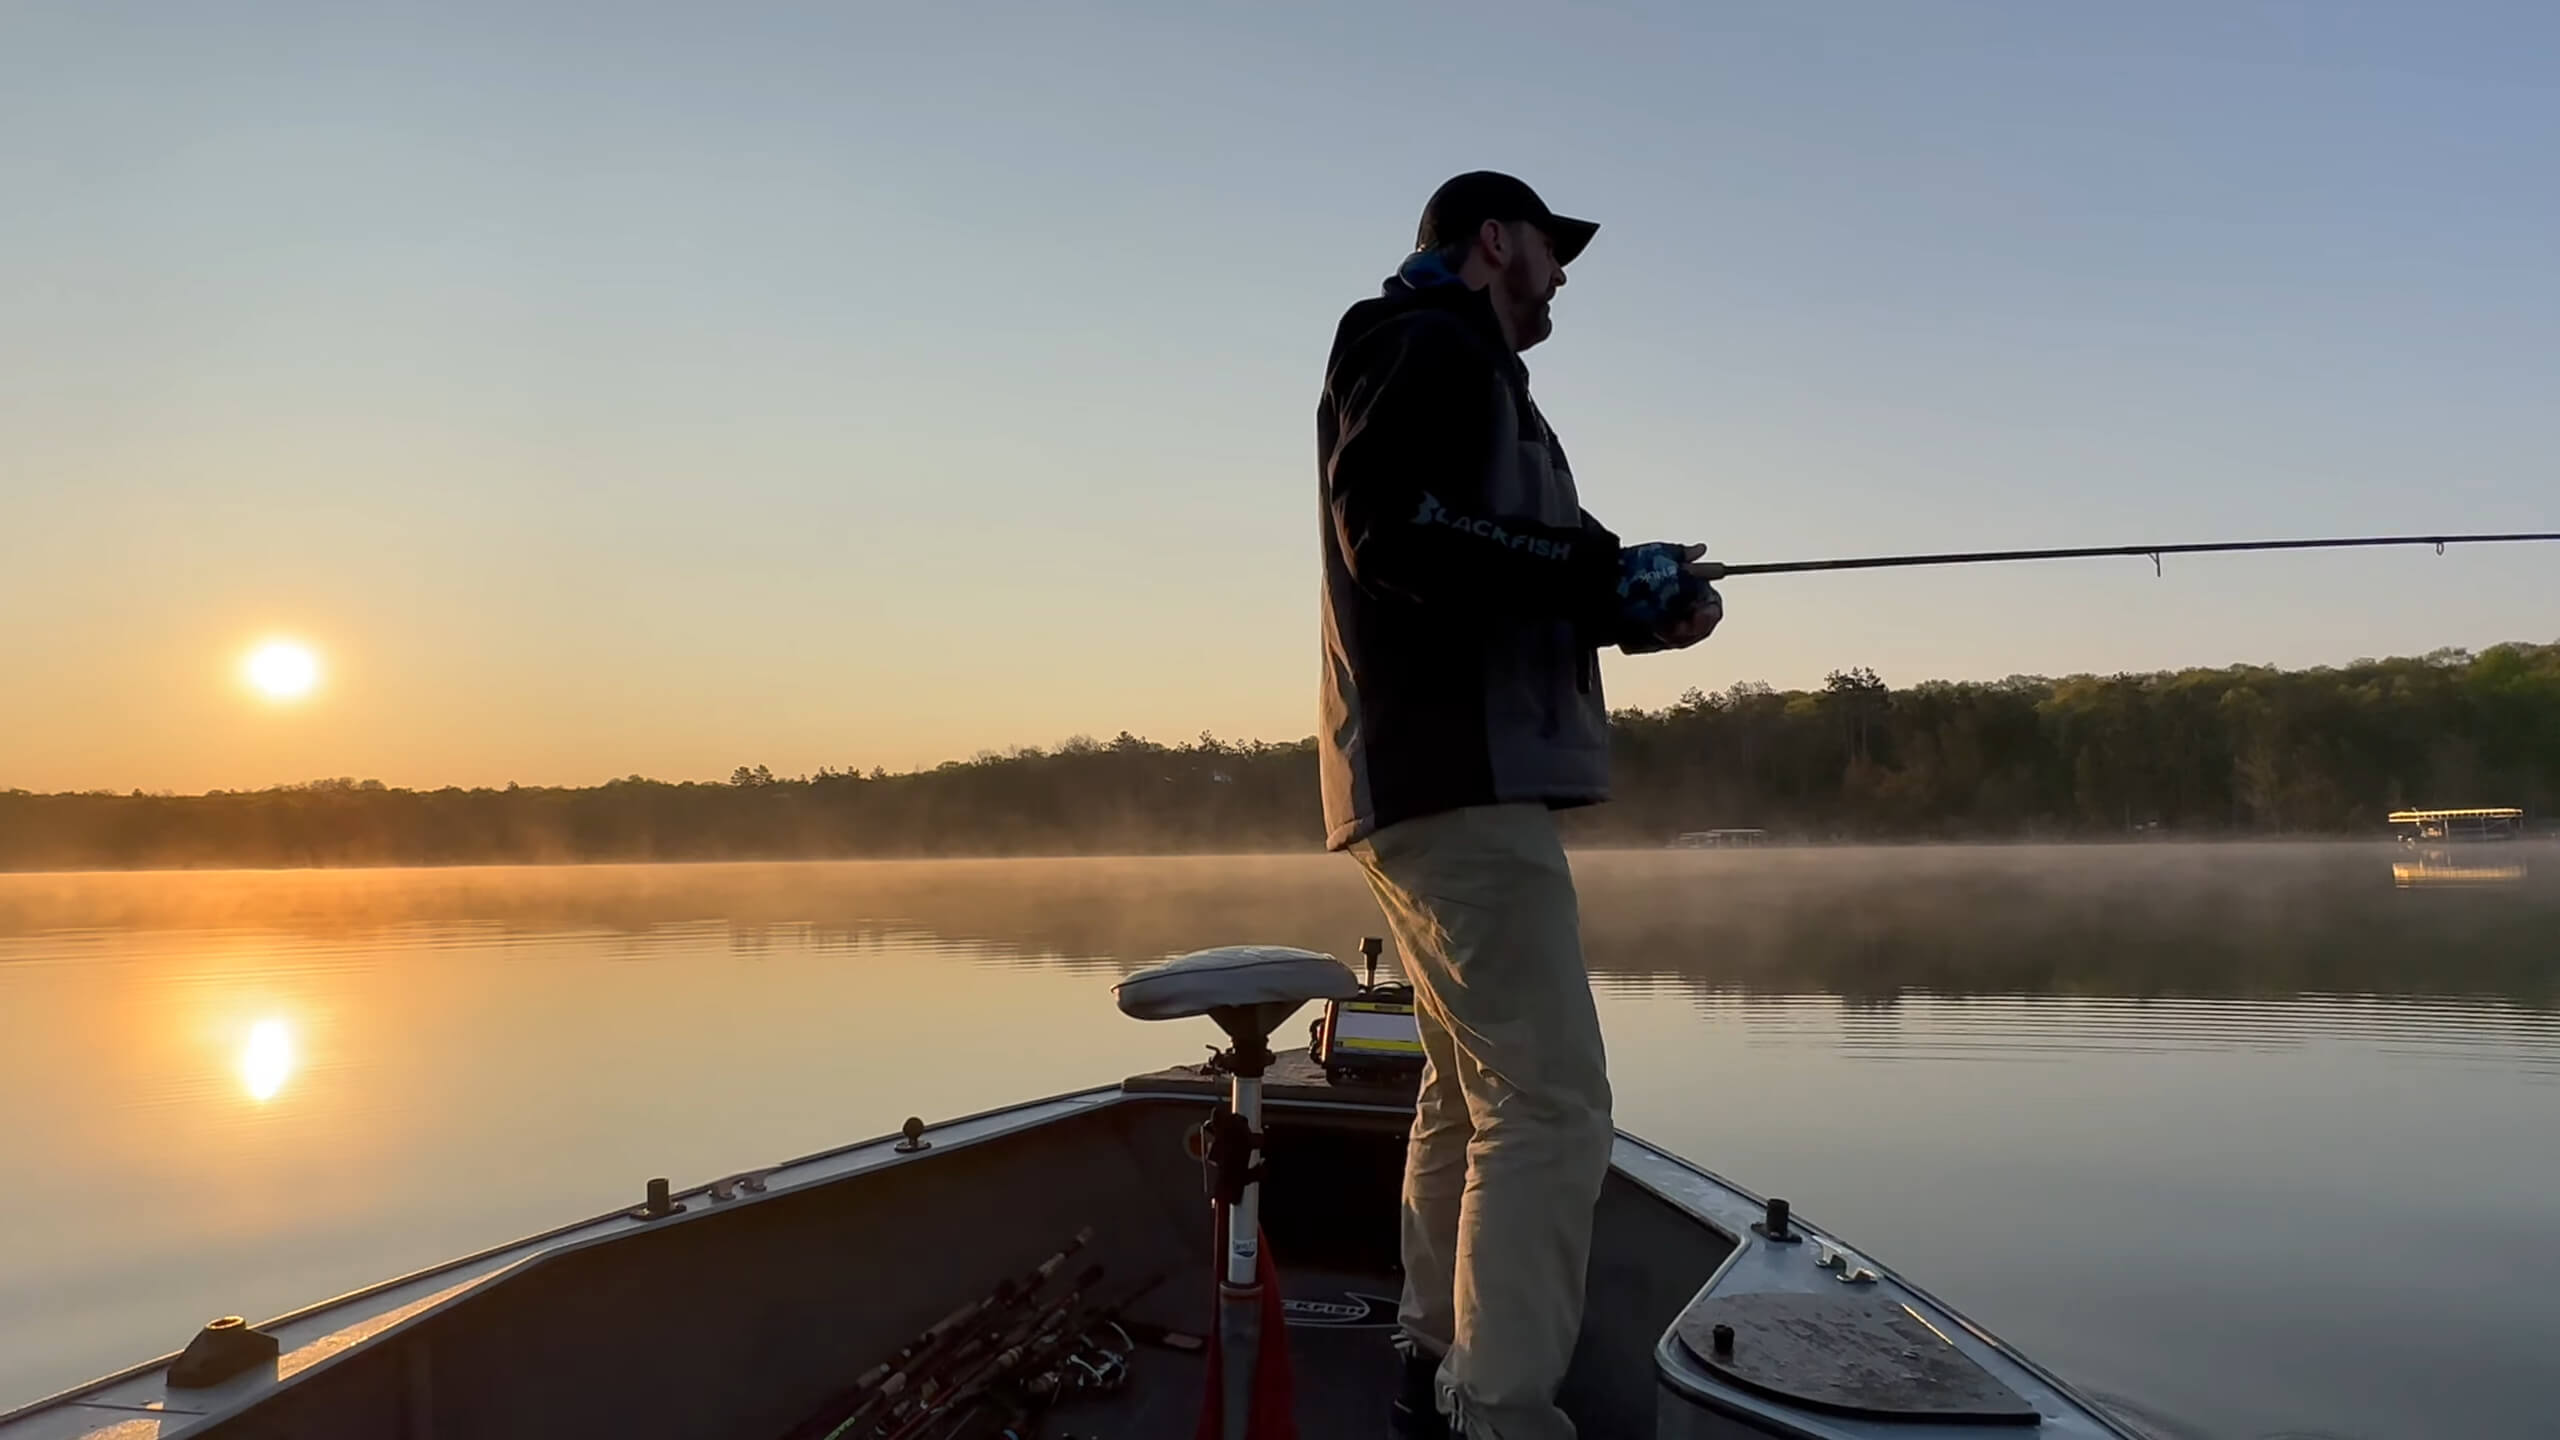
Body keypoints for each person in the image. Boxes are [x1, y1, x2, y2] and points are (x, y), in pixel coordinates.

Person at [1313, 172, 1722, 1440]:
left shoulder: (1476, 382)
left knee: (1465, 1092)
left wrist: (1650, 604)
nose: (1562, 278)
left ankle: (1430, 1368)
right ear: (1497, 240)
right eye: (1554, 251)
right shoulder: (1423, 340)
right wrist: (1600, 572)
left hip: (1425, 787)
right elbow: (1399, 534)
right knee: (1551, 1106)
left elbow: (1536, 560)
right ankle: (1499, 1414)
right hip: (1454, 781)